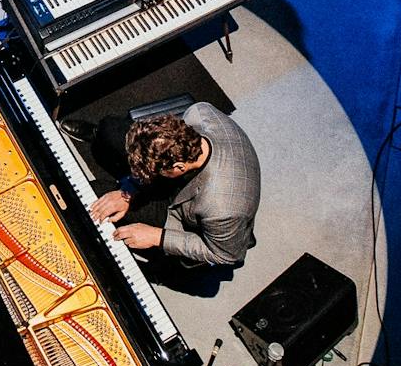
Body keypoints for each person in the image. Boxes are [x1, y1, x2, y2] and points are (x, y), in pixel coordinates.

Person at [70, 104, 261, 269]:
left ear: (179, 167)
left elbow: (227, 256)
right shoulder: (200, 113)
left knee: (94, 193)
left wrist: (156, 236)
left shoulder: (222, 209)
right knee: (109, 129)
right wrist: (129, 190)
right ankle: (99, 135)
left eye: (150, 170)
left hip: (183, 211)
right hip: (180, 179)